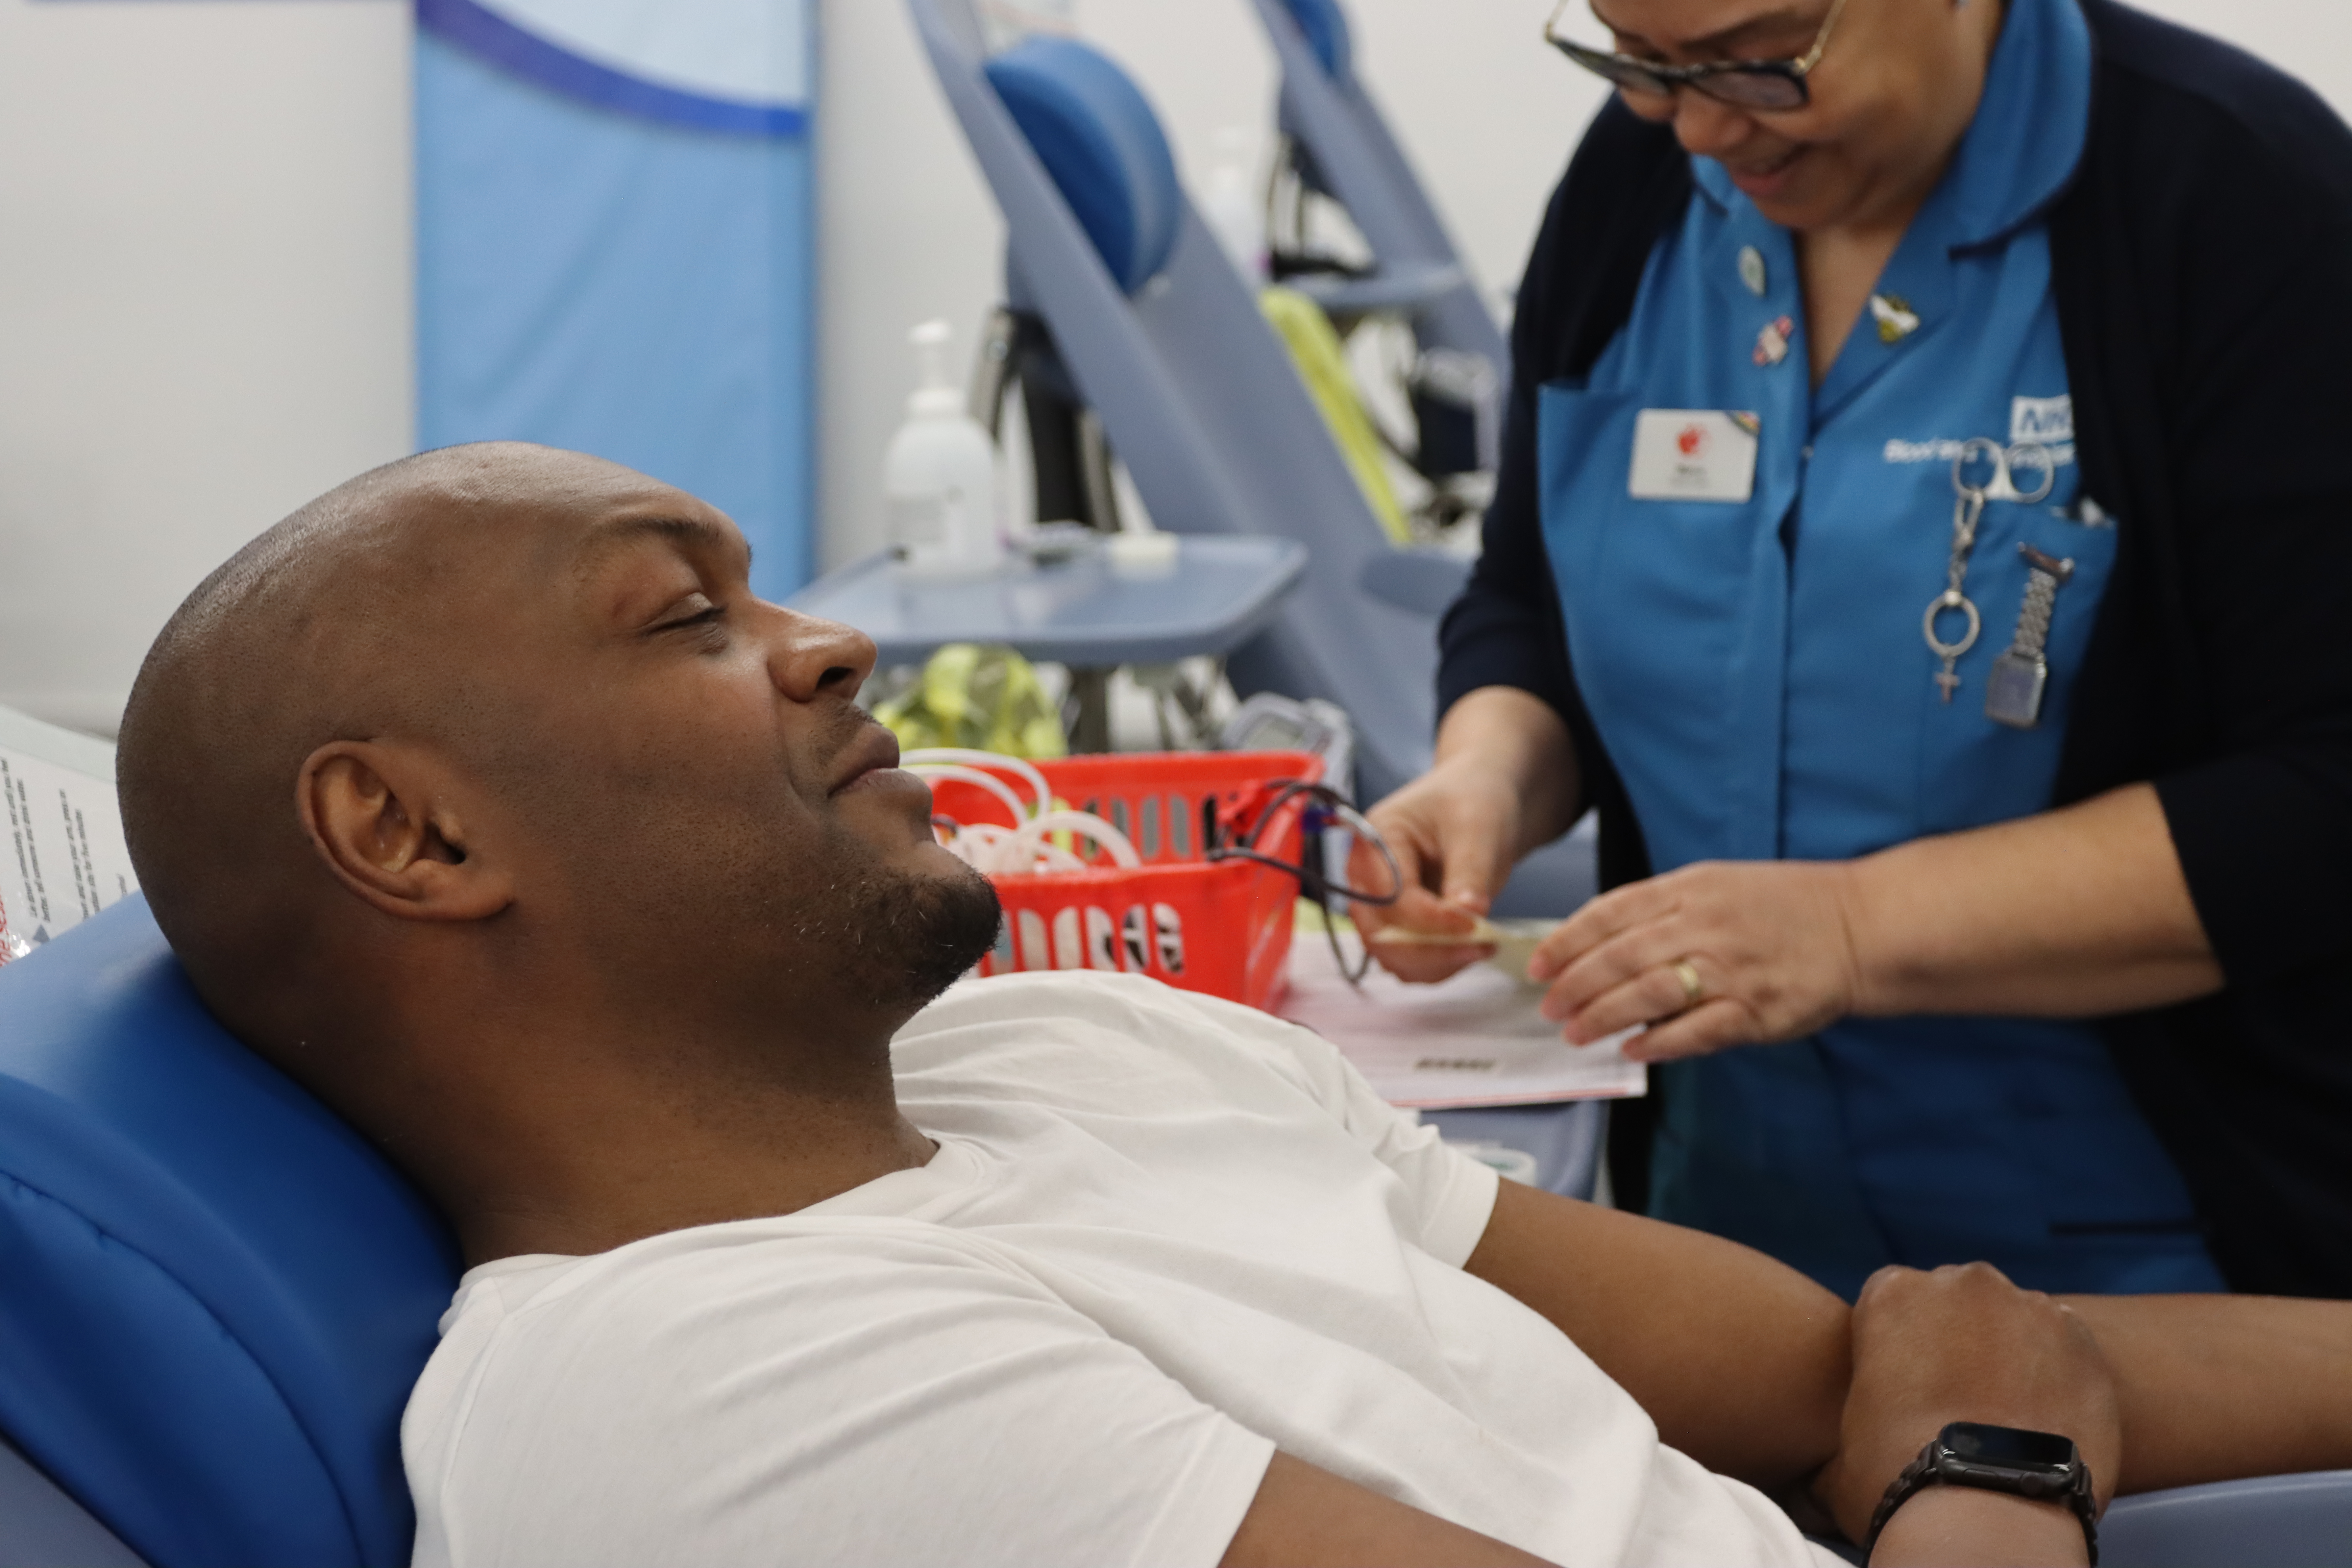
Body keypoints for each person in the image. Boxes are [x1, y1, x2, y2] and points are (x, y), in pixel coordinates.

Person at [113, 445, 2352, 1567]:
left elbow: (1852, 1359)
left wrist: (1974, 1423)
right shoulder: (703, 1387)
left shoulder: (1050, 1055)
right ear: (408, 839)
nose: (825, 646)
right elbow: (1966, 1400)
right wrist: (1991, 1473)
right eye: (676, 622)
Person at [1358, 0, 2352, 1301]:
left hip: (2155, 1271)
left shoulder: (2235, 197)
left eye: (1763, 57)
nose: (1705, 127)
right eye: (1641, 60)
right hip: (1728, 1259)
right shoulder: (1643, 185)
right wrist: (1489, 779)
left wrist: (1853, 929)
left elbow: (2324, 791)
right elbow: (1531, 596)